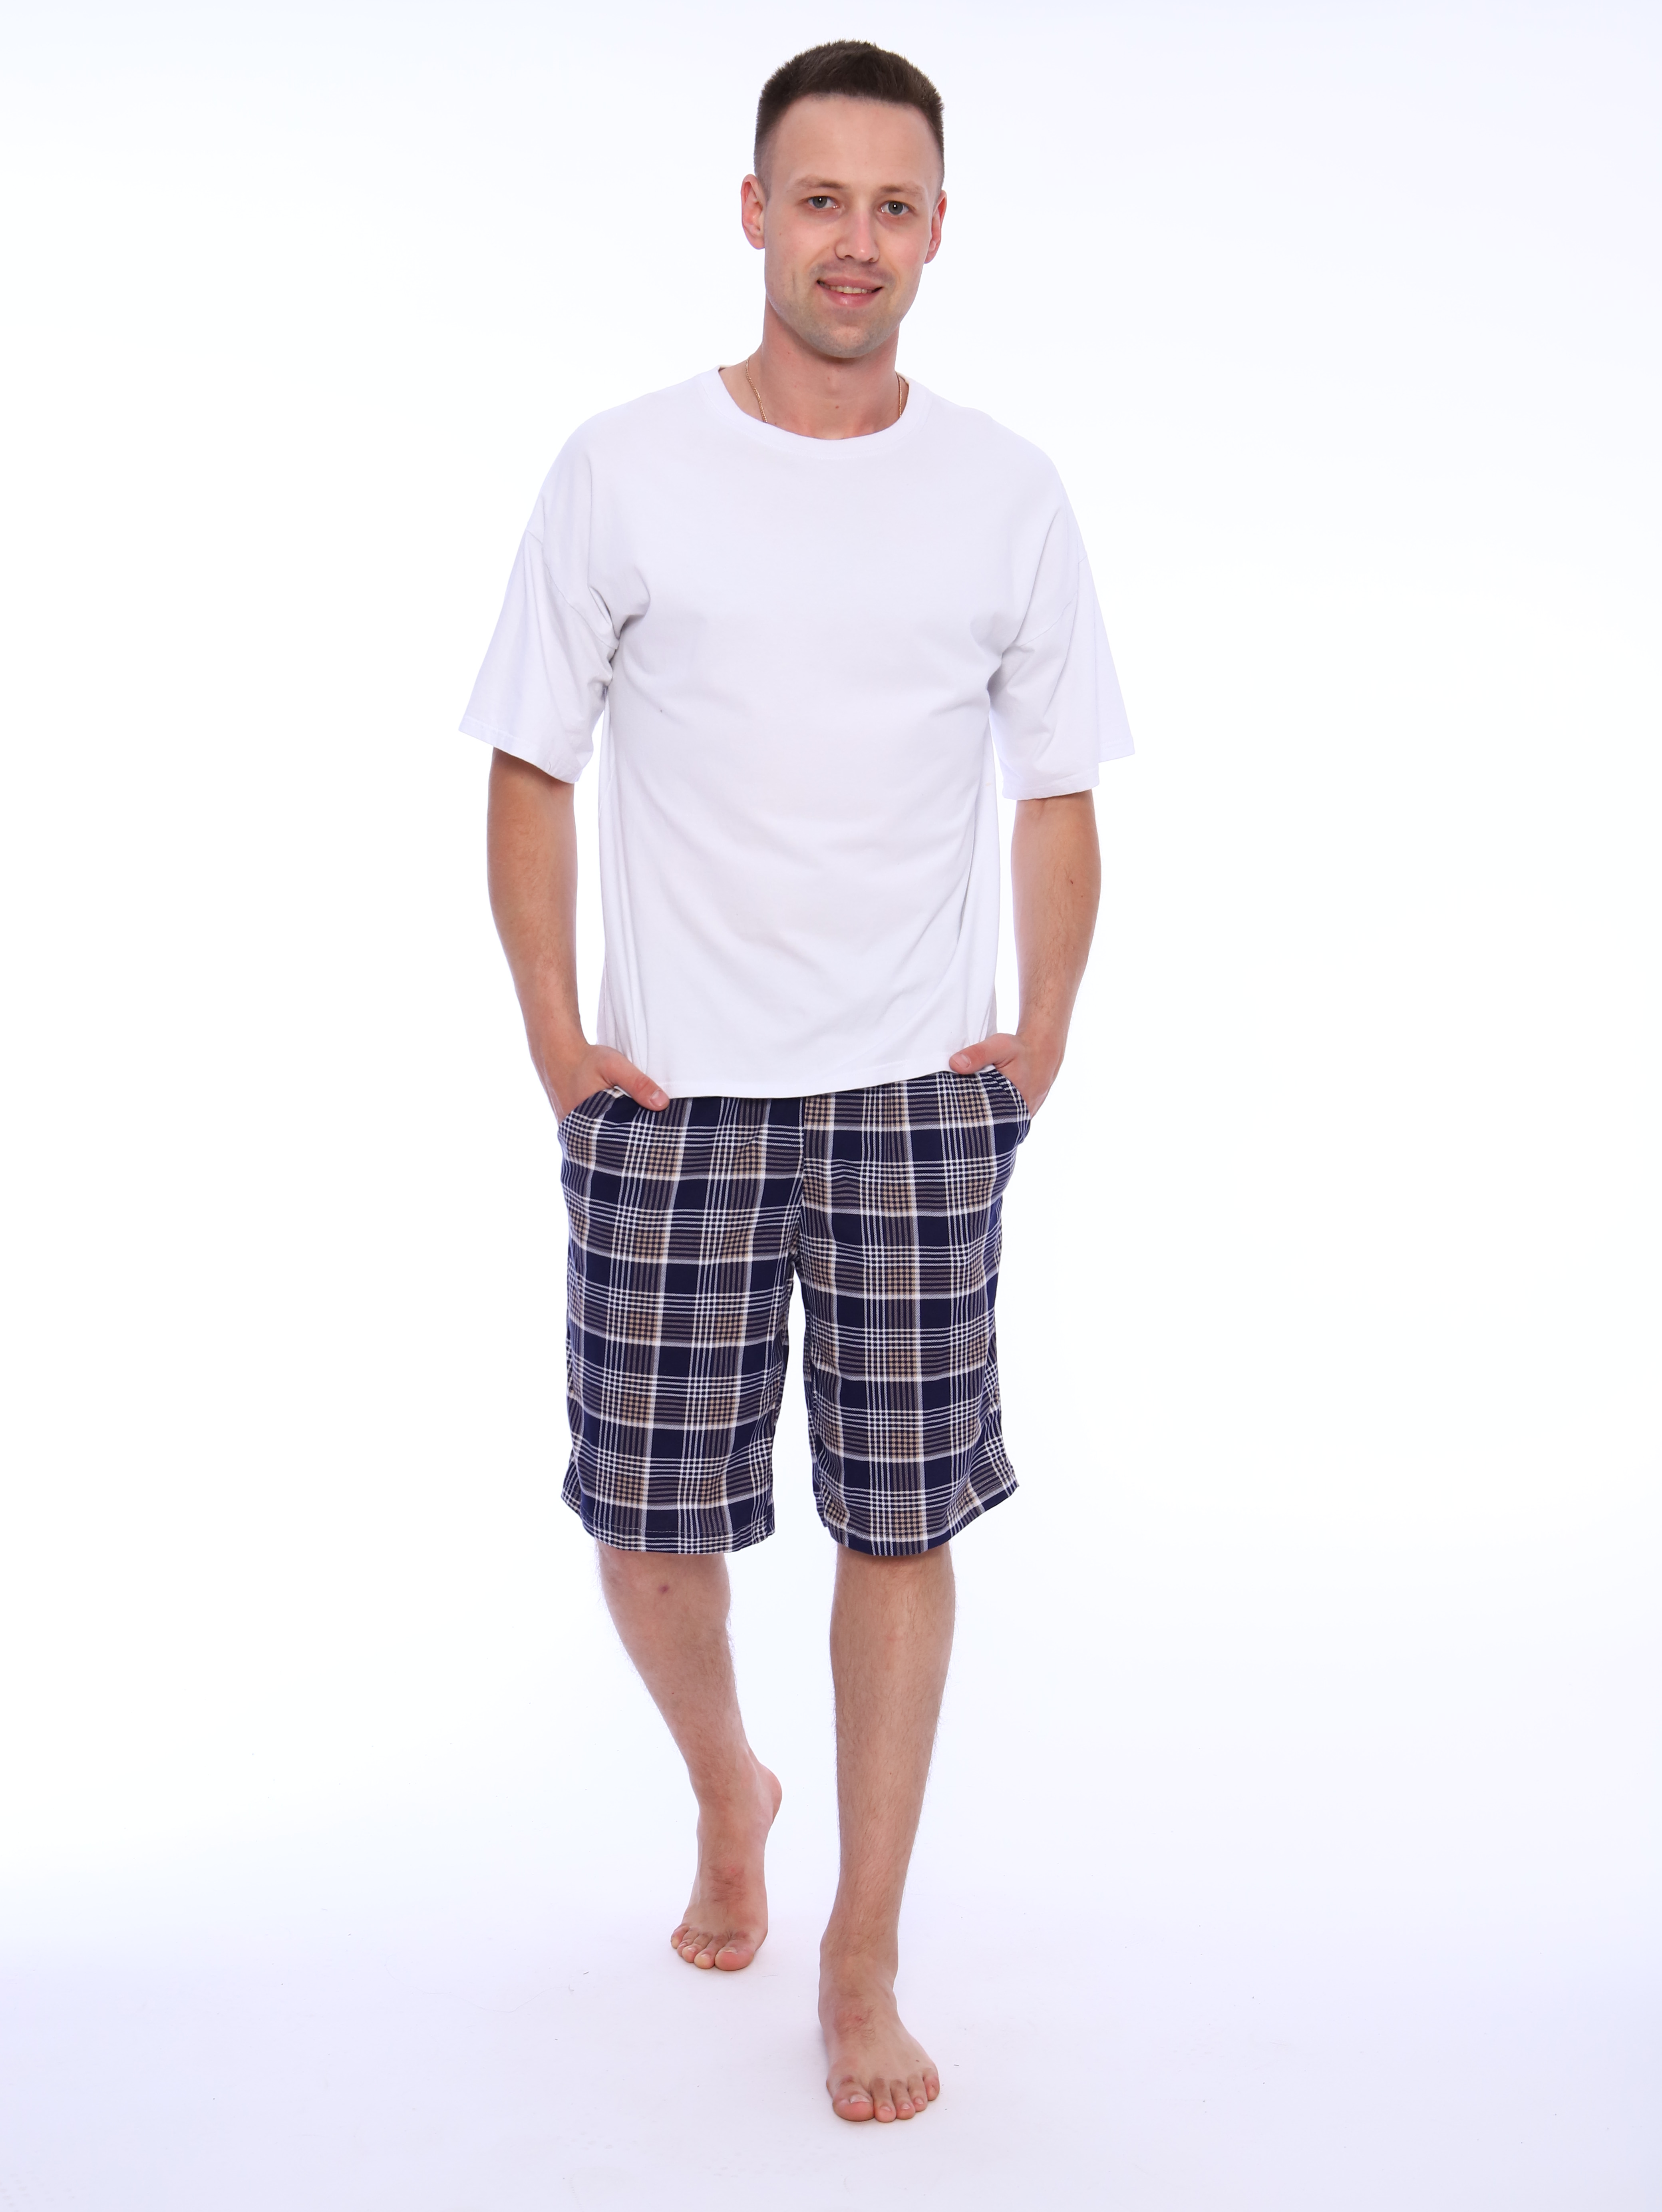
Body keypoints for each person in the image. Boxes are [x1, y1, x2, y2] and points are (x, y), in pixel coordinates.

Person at [462, 38, 1132, 2126]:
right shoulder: (623, 470)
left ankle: (863, 1949)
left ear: (937, 233)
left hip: (918, 1093)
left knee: (900, 1523)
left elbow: (1057, 789)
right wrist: (560, 1047)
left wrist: (1038, 1042)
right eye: (821, 198)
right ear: (754, 213)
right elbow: (532, 764)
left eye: (894, 206)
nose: (857, 240)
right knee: (649, 1523)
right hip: (672, 1095)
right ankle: (725, 1787)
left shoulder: (1007, 491)